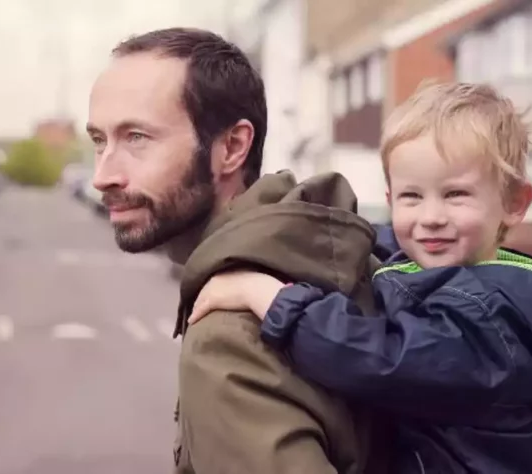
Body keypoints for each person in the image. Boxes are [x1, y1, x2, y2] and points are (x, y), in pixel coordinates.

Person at [187, 82, 532, 473]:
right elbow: (392, 248)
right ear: (391, 197)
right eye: (412, 197)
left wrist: (268, 296)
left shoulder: (490, 317)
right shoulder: (465, 268)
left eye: (456, 195)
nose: (430, 218)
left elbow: (380, 358)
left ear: (515, 203)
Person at [86, 28, 389, 474]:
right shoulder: (331, 256)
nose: (103, 175)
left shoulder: (229, 334)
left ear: (231, 147)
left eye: (136, 138)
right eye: (99, 141)